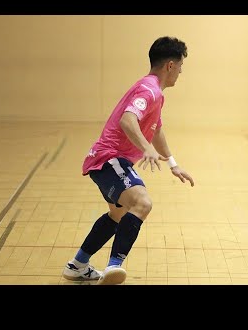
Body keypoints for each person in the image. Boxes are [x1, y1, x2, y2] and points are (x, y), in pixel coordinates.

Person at [62, 36, 195, 285]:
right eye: (180, 67)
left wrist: (173, 164)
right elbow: (127, 119)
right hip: (109, 158)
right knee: (142, 203)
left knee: (118, 214)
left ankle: (77, 265)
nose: (180, 72)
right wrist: (145, 149)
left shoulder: (156, 94)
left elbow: (156, 130)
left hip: (109, 162)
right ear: (170, 65)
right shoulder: (149, 89)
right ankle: (114, 266)